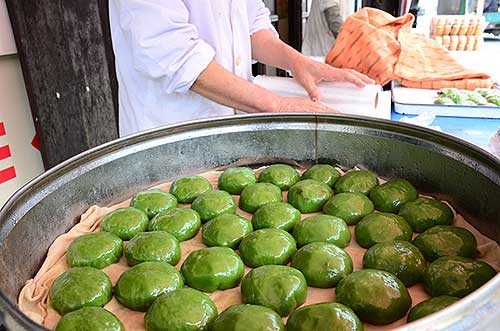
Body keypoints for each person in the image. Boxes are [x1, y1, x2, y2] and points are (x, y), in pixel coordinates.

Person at [110, 0, 372, 136]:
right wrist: (277, 106)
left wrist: (297, 62)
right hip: (172, 129)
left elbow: (252, 23)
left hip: (232, 121)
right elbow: (175, 54)